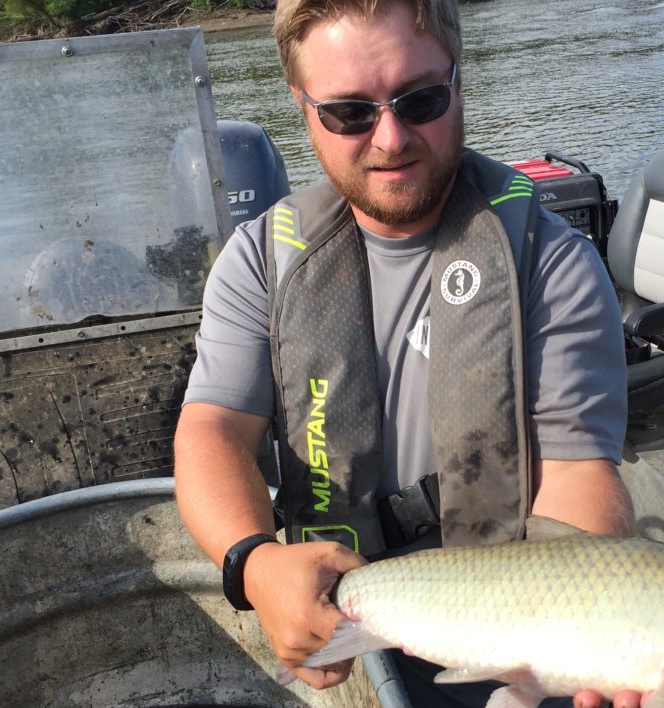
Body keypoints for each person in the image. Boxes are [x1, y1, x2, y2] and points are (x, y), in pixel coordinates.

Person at [172, 0, 640, 705]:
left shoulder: (552, 264)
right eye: (350, 114)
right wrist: (257, 567)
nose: (390, 138)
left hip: (505, 639)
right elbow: (212, 431)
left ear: (458, 81)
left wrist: (588, 624)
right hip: (335, 631)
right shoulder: (261, 262)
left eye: (420, 99)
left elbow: (577, 473)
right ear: (302, 107)